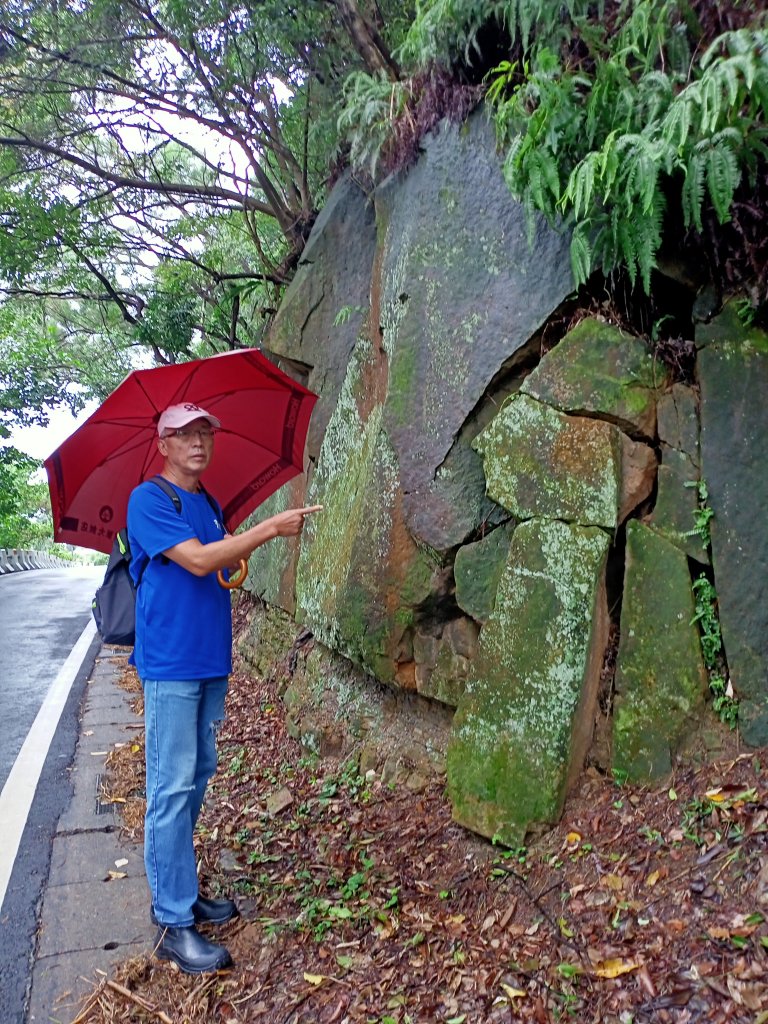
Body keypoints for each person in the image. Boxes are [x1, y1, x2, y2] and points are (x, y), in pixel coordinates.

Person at [127, 402, 321, 974]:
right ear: (162, 443)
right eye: (184, 434)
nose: (197, 443)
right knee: (170, 786)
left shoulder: (207, 503)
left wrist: (237, 558)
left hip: (209, 658)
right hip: (171, 662)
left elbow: (218, 565)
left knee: (197, 777)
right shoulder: (149, 500)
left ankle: (181, 889)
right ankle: (171, 920)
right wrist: (267, 529)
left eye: (204, 433)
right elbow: (195, 559)